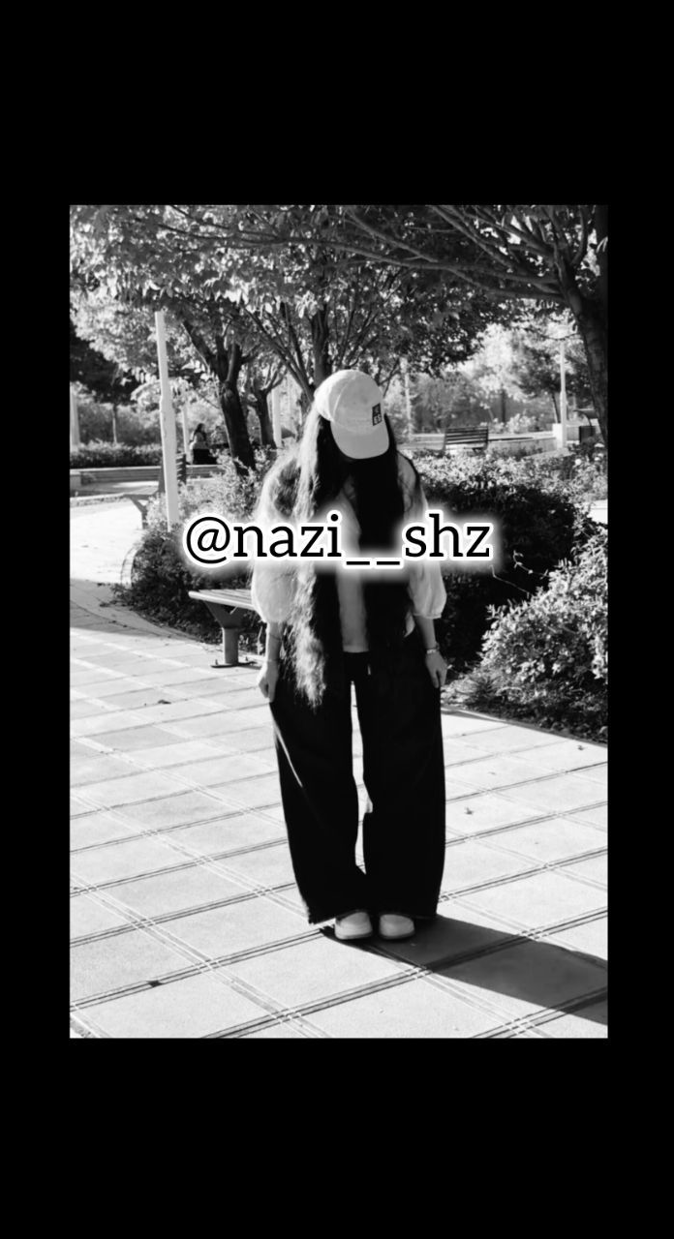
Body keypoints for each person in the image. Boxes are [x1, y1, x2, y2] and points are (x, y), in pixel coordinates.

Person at [251, 369, 448, 944]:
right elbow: (275, 573)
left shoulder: (398, 473)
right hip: (312, 647)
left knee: (404, 774)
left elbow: (421, 562)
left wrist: (432, 647)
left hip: (394, 645)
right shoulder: (289, 481)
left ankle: (399, 894)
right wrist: (271, 659)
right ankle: (339, 897)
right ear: (321, 423)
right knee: (318, 778)